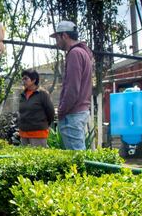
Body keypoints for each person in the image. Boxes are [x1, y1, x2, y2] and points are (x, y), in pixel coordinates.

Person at [50, 21, 93, 150]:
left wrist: (61, 110)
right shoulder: (83, 53)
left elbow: (72, 88)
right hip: (79, 111)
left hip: (72, 114)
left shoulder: (74, 54)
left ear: (64, 35)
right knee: (80, 158)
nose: (56, 42)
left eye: (57, 37)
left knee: (77, 160)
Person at [18, 69, 55, 147]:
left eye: (26, 78)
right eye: (22, 79)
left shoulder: (42, 94)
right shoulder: (22, 95)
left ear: (34, 80)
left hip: (38, 134)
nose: (23, 81)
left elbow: (51, 112)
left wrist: (42, 125)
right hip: (24, 134)